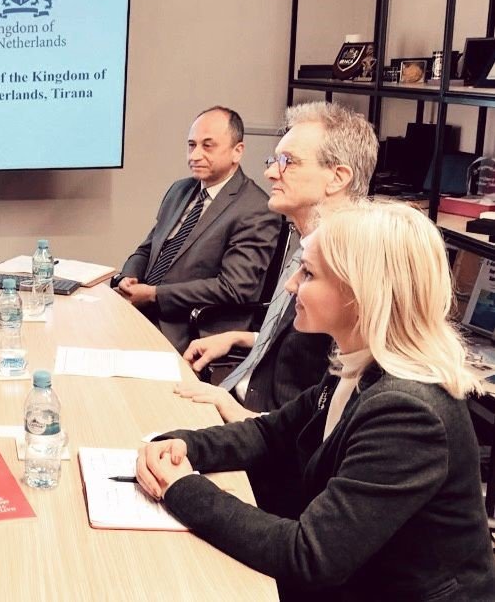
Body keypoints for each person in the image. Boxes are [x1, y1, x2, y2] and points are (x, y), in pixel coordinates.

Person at [136, 201, 495, 601]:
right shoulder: (357, 362)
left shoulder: (409, 412)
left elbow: (311, 556)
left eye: (308, 273)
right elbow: (271, 433)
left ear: (359, 293)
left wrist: (182, 488)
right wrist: (184, 445)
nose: (291, 285)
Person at [177, 101, 378, 422]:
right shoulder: (308, 245)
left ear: (337, 177)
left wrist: (236, 414)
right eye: (275, 161)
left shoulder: (350, 271)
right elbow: (305, 347)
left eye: (288, 162)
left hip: (260, 423)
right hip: (239, 398)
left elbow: (327, 415)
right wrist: (241, 338)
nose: (270, 172)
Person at [114, 106, 280, 352]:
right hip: (143, 310)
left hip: (191, 328)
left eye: (207, 146)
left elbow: (232, 288)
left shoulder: (256, 209)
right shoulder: (180, 190)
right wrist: (127, 278)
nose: (195, 155)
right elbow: (148, 249)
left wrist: (154, 294)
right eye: (191, 145)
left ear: (237, 151)